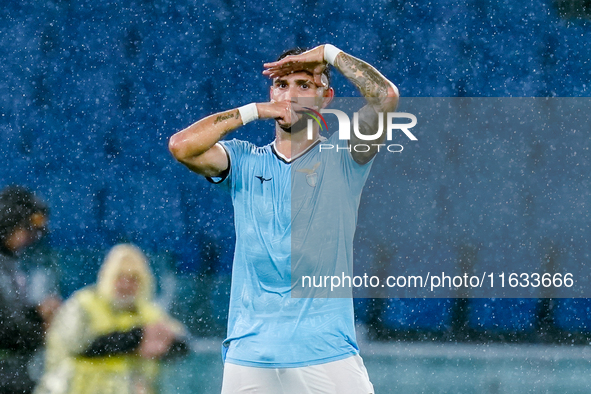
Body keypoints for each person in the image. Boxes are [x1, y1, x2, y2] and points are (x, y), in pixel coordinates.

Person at [169, 44, 399, 393]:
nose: (290, 94)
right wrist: (255, 111)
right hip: (250, 355)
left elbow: (386, 98)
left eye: (305, 85)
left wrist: (329, 54)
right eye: (282, 84)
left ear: (327, 97)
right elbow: (181, 146)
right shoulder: (243, 160)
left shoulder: (343, 155)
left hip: (324, 352)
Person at [33, 243, 188, 394]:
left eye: (133, 279)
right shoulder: (84, 304)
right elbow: (77, 345)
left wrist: (165, 344)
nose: (125, 285)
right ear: (108, 277)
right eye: (120, 277)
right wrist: (136, 338)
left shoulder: (149, 313)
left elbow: (181, 343)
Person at [0, 185, 60, 394]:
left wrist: (36, 313)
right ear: (9, 221)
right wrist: (42, 332)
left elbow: (9, 318)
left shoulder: (8, 263)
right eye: (27, 228)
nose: (32, 237)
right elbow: (5, 330)